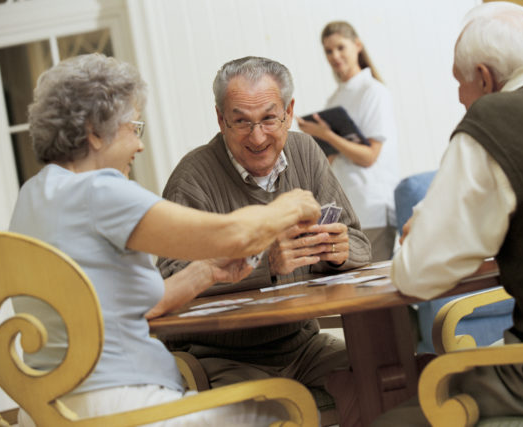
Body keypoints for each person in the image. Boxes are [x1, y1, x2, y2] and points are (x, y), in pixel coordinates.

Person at [8, 53, 323, 426]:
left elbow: (139, 306)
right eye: (132, 128)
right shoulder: (99, 191)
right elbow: (235, 235)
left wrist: (207, 271)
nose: (139, 146)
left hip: (50, 408)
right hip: (125, 406)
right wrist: (291, 205)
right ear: (95, 131)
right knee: (286, 409)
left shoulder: (35, 194)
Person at [375, 2, 523, 425]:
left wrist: (424, 229)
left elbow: (416, 276)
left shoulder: (492, 121)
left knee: (392, 418)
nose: (459, 97)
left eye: (459, 83)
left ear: (485, 78)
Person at [157, 56, 371, 405]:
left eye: (269, 118)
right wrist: (264, 263)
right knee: (277, 408)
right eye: (241, 122)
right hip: (219, 356)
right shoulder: (192, 178)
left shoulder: (306, 151)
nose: (257, 137)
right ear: (220, 119)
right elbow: (172, 280)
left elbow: (359, 242)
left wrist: (339, 253)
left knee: (384, 377)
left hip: (303, 344)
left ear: (289, 111)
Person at [297, 21, 400, 262]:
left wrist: (327, 135)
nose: (335, 56)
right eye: (328, 51)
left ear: (357, 46)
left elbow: (369, 156)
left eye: (340, 48)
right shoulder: (335, 98)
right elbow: (330, 161)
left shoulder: (374, 92)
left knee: (375, 291)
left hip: (372, 208)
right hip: (346, 213)